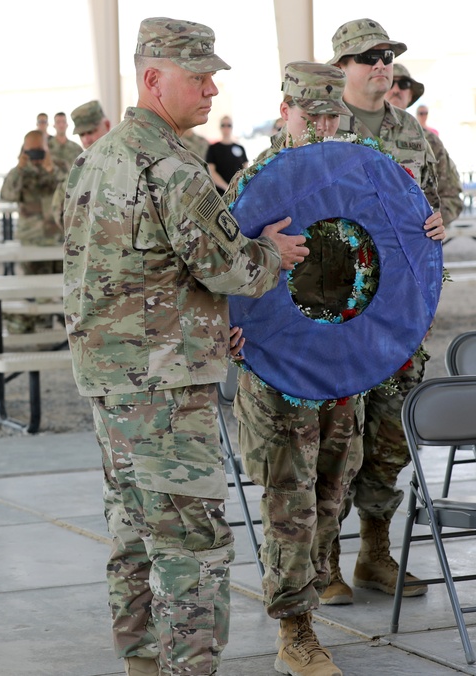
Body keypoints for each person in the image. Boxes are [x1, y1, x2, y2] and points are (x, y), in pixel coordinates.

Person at [63, 17, 308, 676]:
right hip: (166, 392)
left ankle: (142, 664)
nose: (209, 91)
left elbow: (128, 274)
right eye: (197, 78)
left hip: (111, 384)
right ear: (152, 78)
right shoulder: (174, 165)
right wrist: (275, 254)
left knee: (133, 539)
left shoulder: (95, 160)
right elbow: (232, 268)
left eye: (212, 78)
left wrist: (200, 320)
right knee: (192, 547)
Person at [225, 62, 362, 676]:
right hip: (279, 370)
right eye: (313, 114)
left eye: (333, 114)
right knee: (291, 499)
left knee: (332, 494)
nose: (324, 124)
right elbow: (219, 265)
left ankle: (309, 593)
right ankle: (295, 630)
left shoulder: (358, 177)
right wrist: (224, 323)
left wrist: (429, 230)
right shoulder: (257, 182)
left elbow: (391, 255)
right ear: (286, 111)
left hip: (341, 365)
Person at [321, 17, 446, 610]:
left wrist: (443, 216)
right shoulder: (320, 127)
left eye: (388, 55)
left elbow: (444, 192)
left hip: (400, 312)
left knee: (390, 437)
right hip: (340, 314)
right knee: (335, 441)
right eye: (369, 56)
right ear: (342, 64)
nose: (382, 64)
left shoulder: (411, 133)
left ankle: (375, 552)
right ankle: (322, 561)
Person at [0, 130, 66, 334]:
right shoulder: (20, 171)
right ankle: (39, 330)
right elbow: (7, 194)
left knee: (66, 289)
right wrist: (20, 168)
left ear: (47, 148)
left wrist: (51, 169)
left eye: (40, 150)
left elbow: (74, 188)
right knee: (35, 290)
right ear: (23, 150)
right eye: (31, 151)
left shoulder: (59, 167)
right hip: (32, 240)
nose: (36, 156)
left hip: (59, 238)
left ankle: (67, 333)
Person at [384, 63, 463, 224]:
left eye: (404, 84)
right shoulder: (362, 133)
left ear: (411, 94)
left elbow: (452, 196)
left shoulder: (428, 140)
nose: (396, 89)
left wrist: (428, 223)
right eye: (391, 82)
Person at [50, 100, 111, 224]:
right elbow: (59, 204)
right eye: (81, 134)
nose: (86, 139)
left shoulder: (126, 159)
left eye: (91, 132)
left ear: (107, 125)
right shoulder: (81, 167)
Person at [205, 115, 247, 194]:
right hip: (221, 193)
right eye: (223, 125)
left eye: (229, 125)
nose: (226, 128)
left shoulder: (240, 148)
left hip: (238, 192)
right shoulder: (213, 148)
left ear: (232, 127)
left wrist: (237, 188)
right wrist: (227, 188)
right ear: (220, 127)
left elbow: (245, 170)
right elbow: (211, 172)